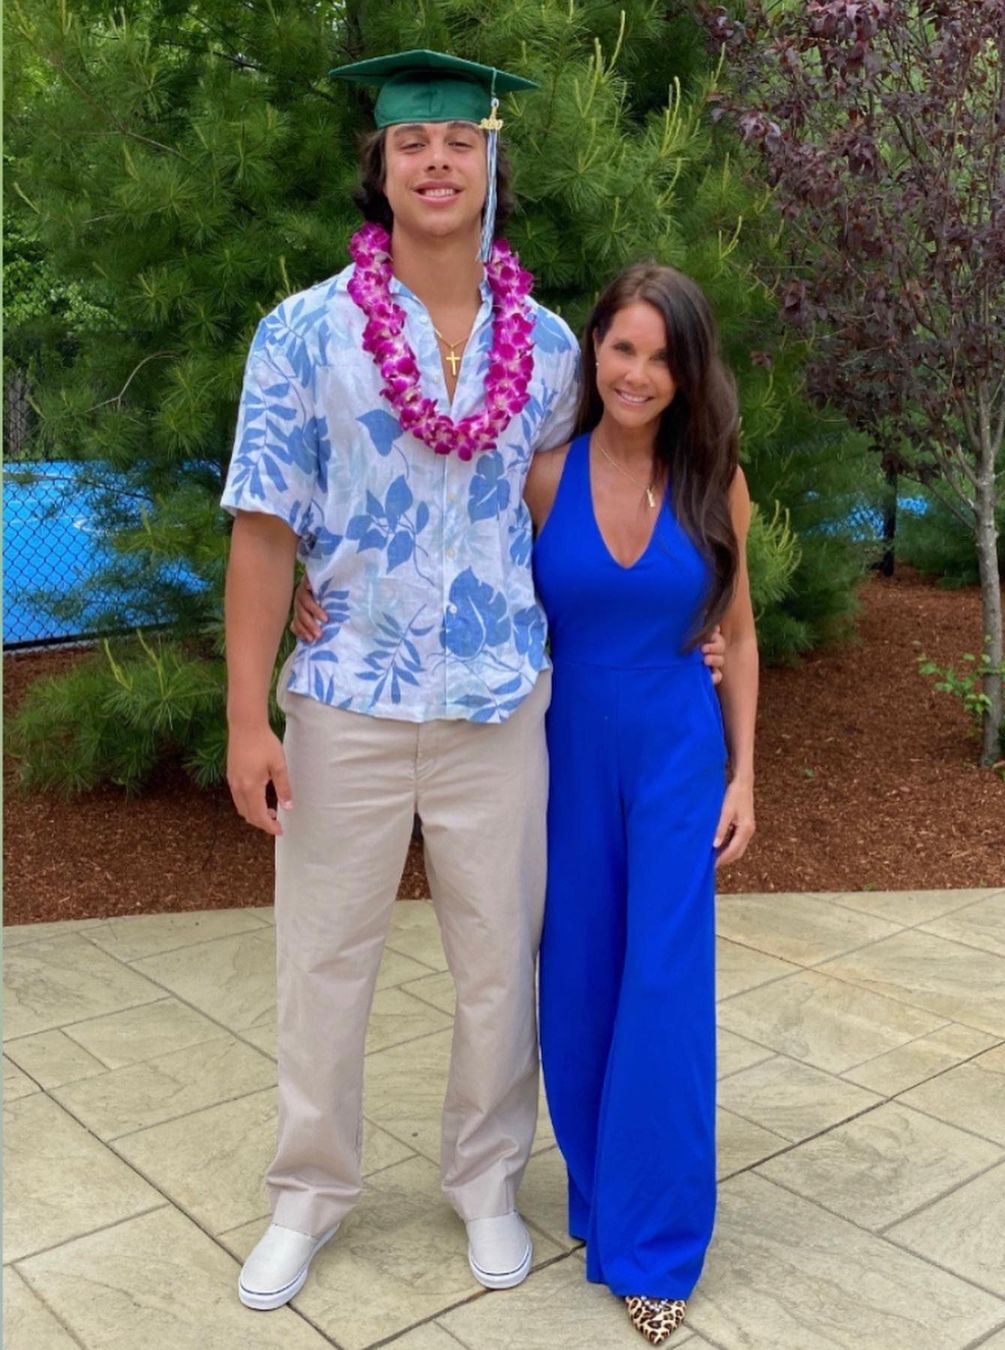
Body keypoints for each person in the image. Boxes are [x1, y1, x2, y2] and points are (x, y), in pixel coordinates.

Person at [224, 46, 728, 1312]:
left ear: (492, 159)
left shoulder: (553, 347)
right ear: (381, 168)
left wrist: (683, 616)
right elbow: (261, 531)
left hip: (504, 705)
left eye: (459, 138)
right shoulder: (301, 334)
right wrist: (246, 718)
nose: (437, 159)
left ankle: (488, 1182)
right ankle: (308, 1195)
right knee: (324, 960)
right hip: (343, 695)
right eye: (412, 142)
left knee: (502, 960)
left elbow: (602, 497)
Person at [530, 265, 757, 1343]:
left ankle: (656, 1244)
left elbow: (741, 635)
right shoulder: (541, 477)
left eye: (662, 356)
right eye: (622, 348)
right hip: (566, 757)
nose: (638, 373)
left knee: (664, 987)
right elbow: (464, 594)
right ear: (593, 352)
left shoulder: (719, 485)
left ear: (688, 372)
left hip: (676, 758)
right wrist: (315, 594)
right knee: (577, 982)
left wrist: (746, 774)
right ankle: (600, 1194)